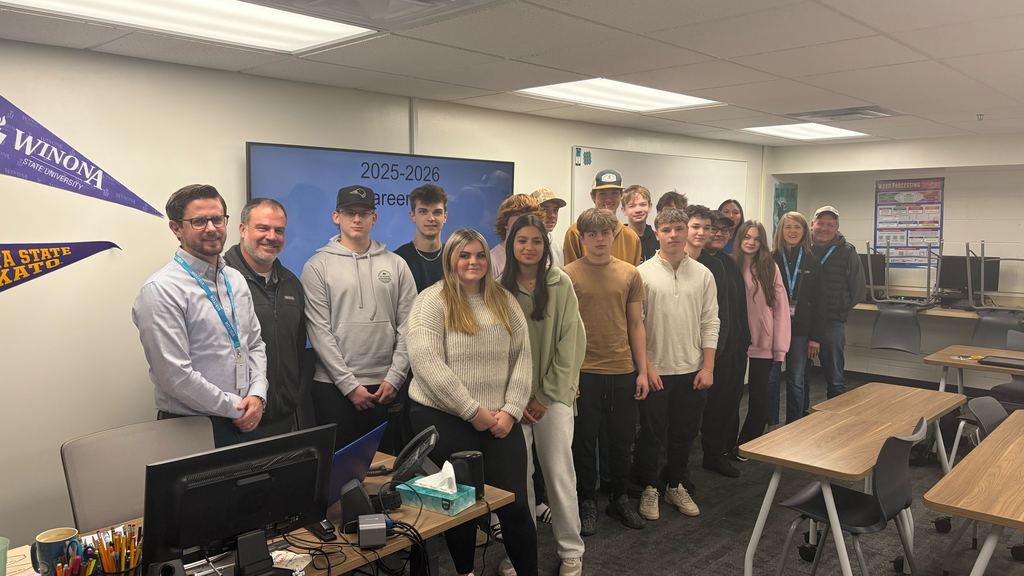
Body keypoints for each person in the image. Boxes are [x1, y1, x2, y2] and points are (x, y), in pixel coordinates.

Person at [406, 228, 537, 576]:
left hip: (500, 419)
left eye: (479, 255)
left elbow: (523, 358)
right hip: (445, 418)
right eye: (464, 255)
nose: (473, 262)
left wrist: (510, 412)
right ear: (451, 259)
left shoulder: (504, 300)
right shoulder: (431, 301)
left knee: (516, 505)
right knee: (462, 504)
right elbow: (427, 364)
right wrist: (472, 411)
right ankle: (464, 571)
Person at [132, 184, 268, 447]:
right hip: (192, 427)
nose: (211, 228)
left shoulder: (235, 279)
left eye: (217, 219)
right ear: (176, 229)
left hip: (247, 416)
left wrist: (258, 394)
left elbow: (254, 344)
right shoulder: (162, 290)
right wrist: (236, 407)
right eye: (198, 221)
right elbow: (175, 377)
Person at [301, 185, 417, 451]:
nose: (356, 219)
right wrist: (348, 385)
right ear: (336, 216)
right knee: (340, 476)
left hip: (386, 387)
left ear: (374, 218)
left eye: (364, 213)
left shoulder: (396, 264)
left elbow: (409, 325)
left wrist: (396, 377)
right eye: (349, 212)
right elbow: (319, 331)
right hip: (333, 389)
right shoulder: (317, 266)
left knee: (388, 473)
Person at [500, 215, 586, 576]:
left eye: (536, 240)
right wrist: (515, 400)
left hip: (553, 400)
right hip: (512, 402)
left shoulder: (559, 282)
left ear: (544, 244)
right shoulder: (498, 289)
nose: (529, 247)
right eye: (522, 240)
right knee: (519, 481)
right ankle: (521, 550)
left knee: (558, 474)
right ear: (511, 245)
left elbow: (572, 343)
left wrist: (545, 396)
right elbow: (494, 349)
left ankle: (571, 549)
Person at [565, 208, 649, 533]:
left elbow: (636, 324)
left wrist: (642, 371)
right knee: (584, 441)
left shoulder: (630, 274)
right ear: (582, 238)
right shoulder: (567, 275)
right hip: (584, 371)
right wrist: (569, 376)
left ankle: (618, 499)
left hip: (621, 369)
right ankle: (587, 500)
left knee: (621, 439)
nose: (600, 240)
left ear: (613, 236)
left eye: (605, 234)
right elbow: (565, 329)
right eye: (592, 235)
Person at [635, 208, 719, 522]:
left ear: (686, 233)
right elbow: (636, 324)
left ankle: (674, 484)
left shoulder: (703, 275)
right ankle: (649, 487)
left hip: (693, 370)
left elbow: (711, 322)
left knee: (684, 434)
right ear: (656, 233)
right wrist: (647, 367)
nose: (673, 235)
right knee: (651, 436)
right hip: (656, 371)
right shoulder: (641, 274)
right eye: (667, 229)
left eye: (678, 229)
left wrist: (707, 367)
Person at [223, 198, 305, 436]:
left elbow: (297, 348)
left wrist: (293, 397)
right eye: (263, 228)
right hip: (235, 418)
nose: (271, 236)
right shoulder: (220, 281)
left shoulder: (292, 284)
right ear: (242, 229)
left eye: (279, 230)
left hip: (282, 417)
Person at [700, 211, 750, 475]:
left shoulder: (729, 263)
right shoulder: (700, 263)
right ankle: (711, 452)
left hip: (735, 345)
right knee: (714, 404)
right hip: (713, 349)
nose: (718, 234)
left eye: (724, 231)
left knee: (730, 400)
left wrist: (745, 340)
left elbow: (738, 305)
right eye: (714, 229)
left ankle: (722, 449)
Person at [734, 221, 790, 445]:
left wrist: (779, 348)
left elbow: (781, 308)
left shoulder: (769, 266)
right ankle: (725, 442)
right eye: (747, 237)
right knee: (732, 395)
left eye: (757, 239)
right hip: (736, 340)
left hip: (763, 340)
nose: (751, 242)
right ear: (739, 238)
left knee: (758, 396)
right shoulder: (730, 264)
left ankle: (748, 442)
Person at [769, 212, 826, 424]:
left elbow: (821, 303)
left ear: (804, 232)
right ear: (780, 231)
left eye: (797, 227)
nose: (792, 232)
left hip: (802, 331)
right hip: (774, 329)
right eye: (787, 227)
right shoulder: (770, 258)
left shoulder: (813, 261)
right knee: (772, 378)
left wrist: (815, 337)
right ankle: (772, 423)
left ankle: (794, 424)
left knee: (796, 379)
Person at [810, 205, 864, 399]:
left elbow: (858, 289)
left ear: (836, 228)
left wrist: (840, 307)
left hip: (832, 321)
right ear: (812, 225)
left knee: (834, 375)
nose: (824, 228)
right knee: (798, 374)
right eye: (820, 223)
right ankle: (801, 416)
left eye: (830, 224)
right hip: (803, 321)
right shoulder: (802, 248)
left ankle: (837, 416)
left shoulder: (847, 251)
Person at [563, 169, 641, 266]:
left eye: (614, 193)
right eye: (602, 194)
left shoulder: (631, 238)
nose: (608, 199)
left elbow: (633, 277)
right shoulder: (575, 233)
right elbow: (570, 276)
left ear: (621, 196)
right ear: (593, 197)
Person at [394, 183, 448, 293]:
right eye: (423, 212)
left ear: (445, 217)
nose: (431, 218)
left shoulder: (454, 258)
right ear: (412, 216)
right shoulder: (398, 260)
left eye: (437, 212)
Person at [491, 194, 544, 276]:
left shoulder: (539, 254)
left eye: (528, 216)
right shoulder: (493, 260)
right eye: (518, 215)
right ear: (505, 222)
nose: (524, 221)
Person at [530, 187, 566, 268]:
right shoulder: (524, 245)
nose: (552, 215)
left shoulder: (556, 247)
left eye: (555, 210)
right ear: (532, 212)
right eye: (544, 210)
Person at [621, 185, 657, 262]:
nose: (638, 210)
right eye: (632, 206)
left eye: (643, 204)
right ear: (624, 210)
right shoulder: (619, 239)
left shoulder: (658, 238)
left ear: (650, 207)